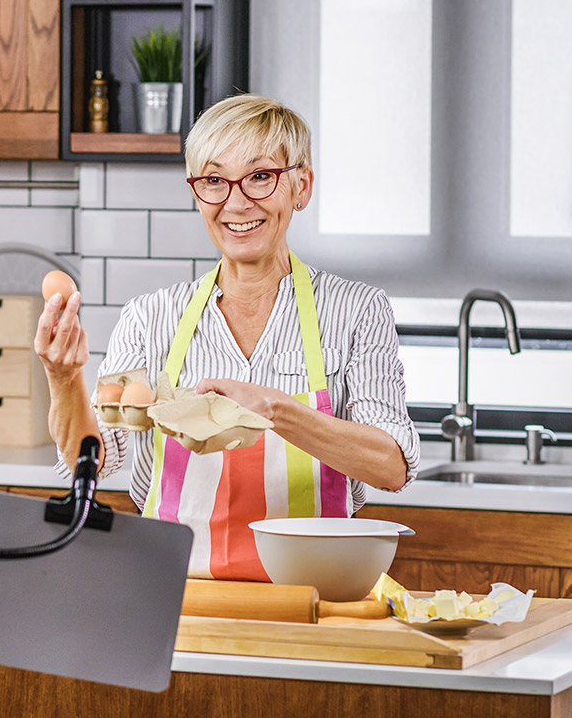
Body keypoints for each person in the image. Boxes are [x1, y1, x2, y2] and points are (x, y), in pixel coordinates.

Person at [35, 94, 418, 581]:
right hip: (175, 599)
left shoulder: (356, 312)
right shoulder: (151, 317)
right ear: (197, 195)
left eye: (260, 176)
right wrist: (63, 377)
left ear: (301, 186)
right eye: (215, 181)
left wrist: (278, 411)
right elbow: (95, 458)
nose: (236, 203)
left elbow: (391, 467)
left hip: (312, 597)